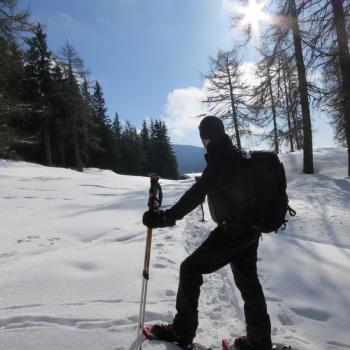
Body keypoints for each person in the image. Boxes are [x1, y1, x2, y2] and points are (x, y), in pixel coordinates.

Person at [142, 116, 272, 350]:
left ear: (206, 137)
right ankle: (259, 342)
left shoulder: (222, 159)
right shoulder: (234, 154)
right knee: (249, 283)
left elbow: (198, 192)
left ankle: (182, 332)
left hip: (233, 231)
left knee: (190, 269)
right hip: (251, 229)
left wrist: (165, 218)